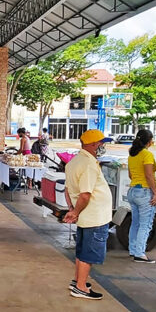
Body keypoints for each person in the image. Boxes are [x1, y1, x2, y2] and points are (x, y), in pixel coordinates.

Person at [63, 129, 113, 300]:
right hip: (94, 216)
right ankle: (81, 287)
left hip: (86, 216)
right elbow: (85, 194)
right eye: (101, 143)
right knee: (89, 253)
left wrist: (72, 209)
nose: (102, 146)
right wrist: (75, 211)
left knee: (82, 251)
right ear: (93, 144)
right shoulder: (89, 164)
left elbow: (68, 189)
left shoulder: (74, 162)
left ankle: (78, 280)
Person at [127, 129, 156, 263]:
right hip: (145, 192)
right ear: (149, 141)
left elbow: (130, 175)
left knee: (136, 223)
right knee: (145, 225)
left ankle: (133, 250)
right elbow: (148, 175)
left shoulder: (132, 155)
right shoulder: (147, 154)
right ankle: (140, 253)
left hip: (133, 190)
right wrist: (155, 192)